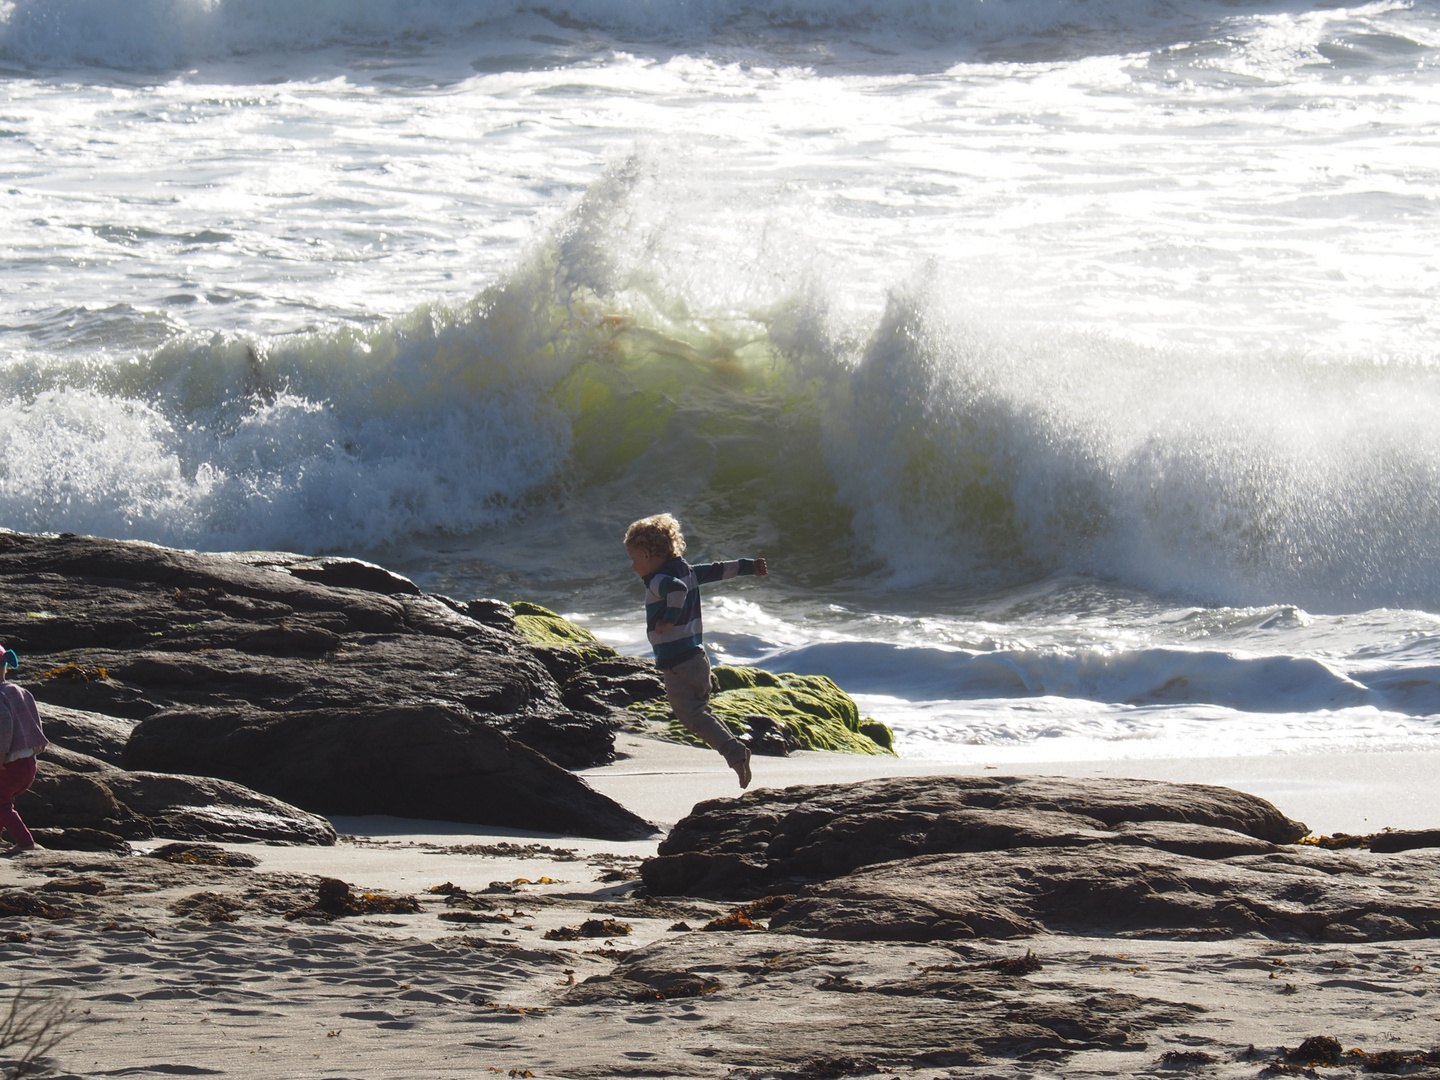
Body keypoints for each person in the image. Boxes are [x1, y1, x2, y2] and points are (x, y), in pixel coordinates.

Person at [624, 514, 767, 789]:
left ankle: (735, 754)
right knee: (699, 711)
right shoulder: (686, 570)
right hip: (696, 657)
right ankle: (736, 751)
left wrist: (669, 618)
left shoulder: (658, 580)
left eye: (633, 559)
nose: (632, 565)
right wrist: (750, 567)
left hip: (678, 661)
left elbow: (676, 591)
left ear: (646, 554)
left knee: (692, 715)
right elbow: (719, 570)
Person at [0, 645, 47, 856]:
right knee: (3, 800)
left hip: (9, 763)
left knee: (1, 804)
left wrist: (1, 756)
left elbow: (4, 728)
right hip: (28, 762)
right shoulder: (20, 691)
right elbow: (34, 722)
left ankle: (25, 842)